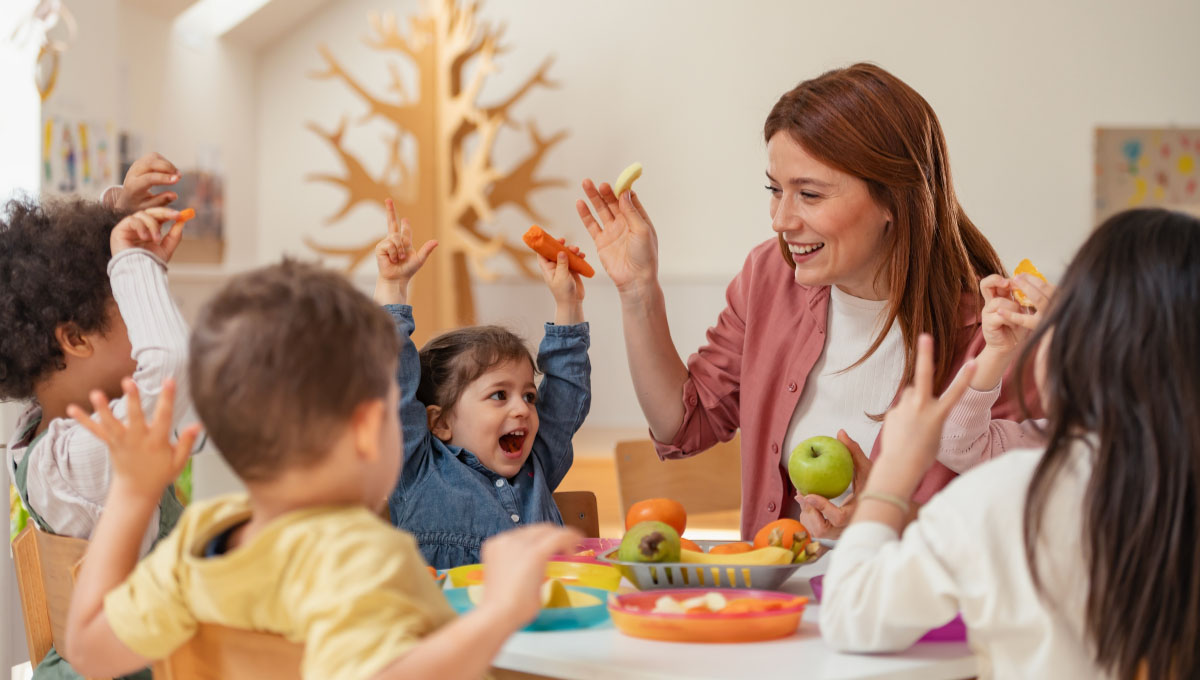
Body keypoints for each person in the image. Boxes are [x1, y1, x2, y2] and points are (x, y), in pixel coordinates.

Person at [575, 62, 1037, 539]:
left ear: (893, 201)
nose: (780, 219)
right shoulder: (770, 277)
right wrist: (638, 291)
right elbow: (684, 423)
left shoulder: (999, 332)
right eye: (775, 190)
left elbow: (1023, 528)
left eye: (809, 194)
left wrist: (890, 522)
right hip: (778, 605)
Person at [63, 259, 582, 680]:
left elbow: (88, 649)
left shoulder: (199, 541)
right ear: (365, 429)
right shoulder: (363, 557)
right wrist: (501, 610)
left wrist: (133, 492)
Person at [820, 208, 1200, 679]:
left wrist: (891, 479)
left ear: (1085, 341)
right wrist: (997, 355)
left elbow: (852, 616)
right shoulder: (1052, 460)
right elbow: (964, 443)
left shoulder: (1011, 495)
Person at [375, 200, 592, 568]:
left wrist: (567, 304)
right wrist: (392, 289)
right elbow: (392, 386)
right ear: (440, 422)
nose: (522, 408)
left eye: (528, 395)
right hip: (451, 624)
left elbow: (567, 394)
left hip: (539, 622)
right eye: (498, 395)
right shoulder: (418, 468)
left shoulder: (537, 463)